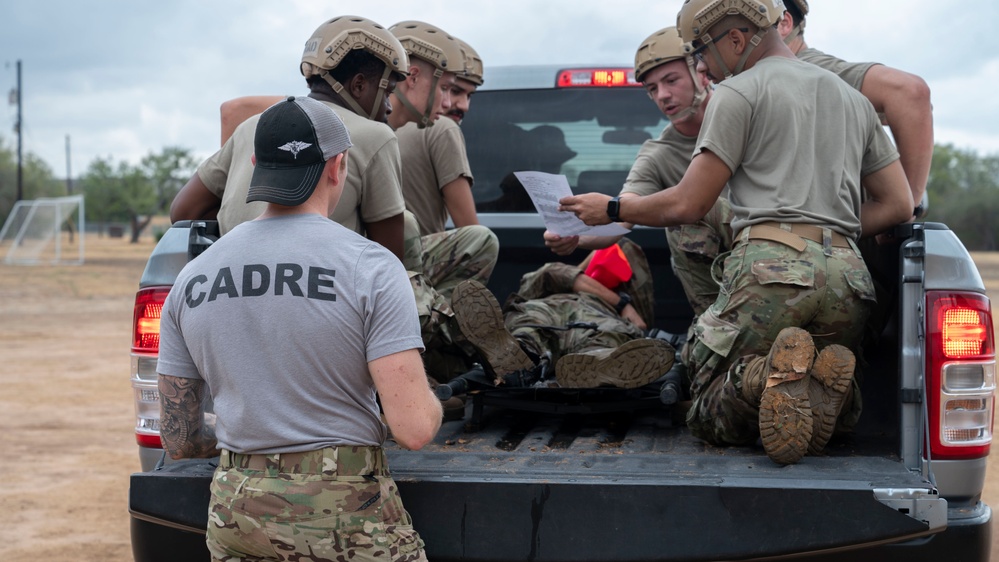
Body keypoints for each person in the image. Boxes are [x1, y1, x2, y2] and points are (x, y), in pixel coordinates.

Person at [559, 0, 914, 465]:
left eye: (703, 52)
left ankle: (763, 376)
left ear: (736, 38)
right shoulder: (852, 98)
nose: (704, 67)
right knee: (820, 424)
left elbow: (691, 203)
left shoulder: (740, 92)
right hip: (849, 277)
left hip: (771, 271)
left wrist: (611, 208)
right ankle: (821, 391)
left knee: (704, 400)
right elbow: (899, 203)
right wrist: (832, 226)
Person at [157, 96, 441, 560]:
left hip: (237, 512)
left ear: (254, 165)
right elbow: (413, 428)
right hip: (344, 514)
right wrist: (432, 402)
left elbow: (180, 436)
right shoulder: (370, 267)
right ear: (337, 165)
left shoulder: (193, 278)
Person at [170, 15, 412, 261]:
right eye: (387, 93)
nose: (389, 107)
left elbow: (184, 210)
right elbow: (390, 260)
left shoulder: (252, 125)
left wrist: (240, 238)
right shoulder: (377, 136)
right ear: (359, 85)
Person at [546, 26, 733, 322]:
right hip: (721, 286)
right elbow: (622, 214)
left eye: (671, 80)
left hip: (776, 254)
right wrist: (574, 236)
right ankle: (715, 326)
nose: (663, 95)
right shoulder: (658, 153)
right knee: (684, 215)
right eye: (652, 89)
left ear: (702, 73)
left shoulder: (745, 114)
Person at [449, 238, 674, 390]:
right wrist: (620, 303)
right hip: (549, 310)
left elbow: (642, 325)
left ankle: (595, 364)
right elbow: (552, 272)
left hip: (598, 320)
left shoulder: (622, 308)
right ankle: (514, 356)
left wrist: (624, 306)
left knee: (607, 340)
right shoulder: (554, 284)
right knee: (529, 329)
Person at [780, 0, 933, 214]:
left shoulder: (810, 70)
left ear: (783, 24)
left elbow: (911, 93)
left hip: (833, 238)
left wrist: (904, 211)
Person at [395, 36, 498, 299]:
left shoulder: (387, 123)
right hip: (412, 271)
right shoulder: (442, 128)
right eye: (451, 89)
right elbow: (469, 230)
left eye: (468, 95)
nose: (459, 104)